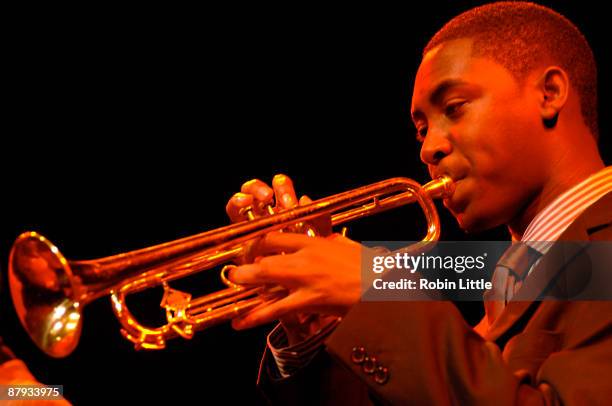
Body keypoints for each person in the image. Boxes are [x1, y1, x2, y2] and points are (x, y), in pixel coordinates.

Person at [225, 2, 612, 404]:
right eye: (421, 130)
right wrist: (316, 330)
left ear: (548, 94)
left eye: (454, 109)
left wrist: (382, 294)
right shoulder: (512, 280)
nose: (429, 149)